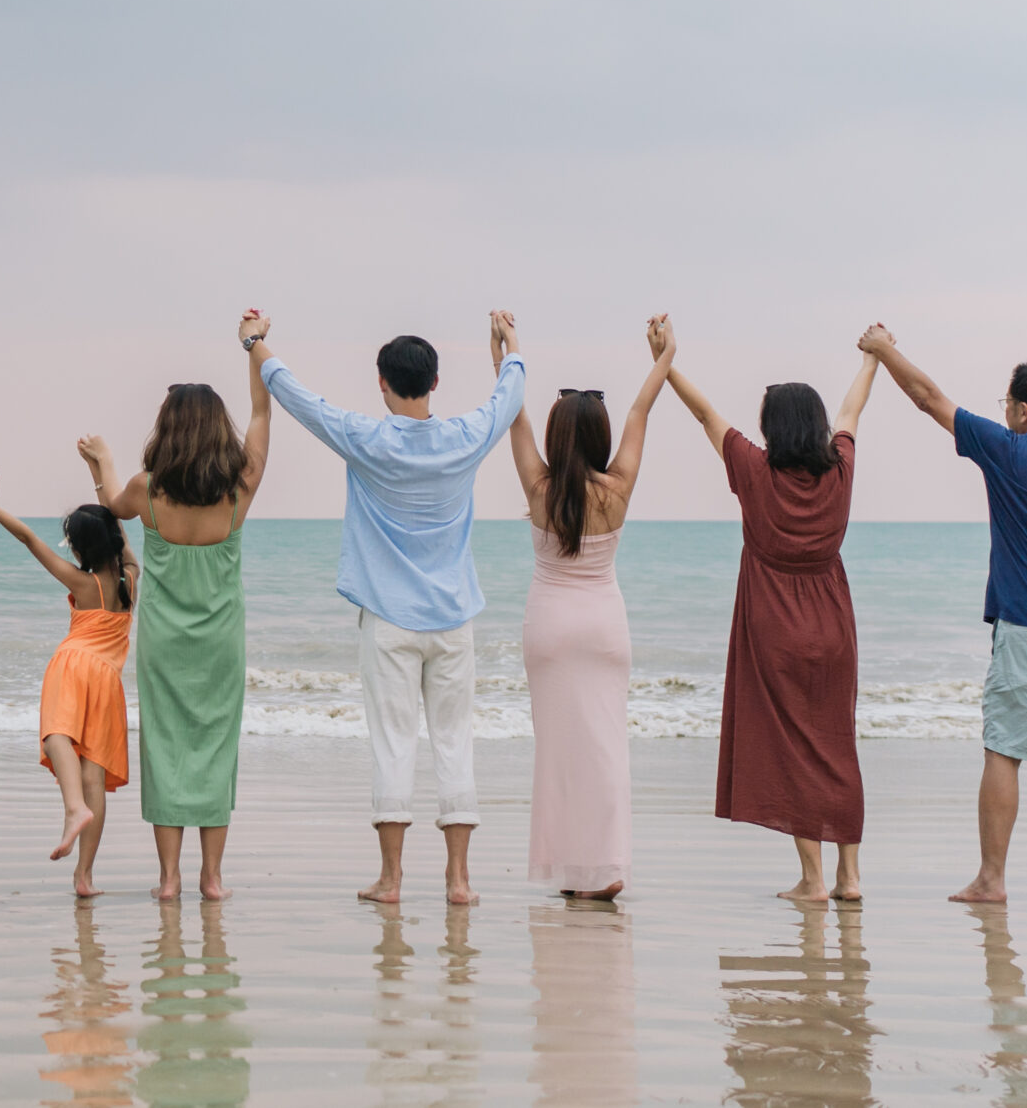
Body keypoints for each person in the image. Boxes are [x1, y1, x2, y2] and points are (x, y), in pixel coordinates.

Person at [859, 325, 1027, 906]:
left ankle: (991, 880)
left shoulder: (1008, 450)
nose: (1004, 411)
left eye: (1007, 402)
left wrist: (882, 350)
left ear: (1024, 411)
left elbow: (929, 398)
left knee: (1005, 751)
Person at [260, 308, 527, 907]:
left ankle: (392, 880)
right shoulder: (465, 438)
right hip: (453, 619)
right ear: (435, 383)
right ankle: (458, 881)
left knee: (393, 743)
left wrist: (256, 344)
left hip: (387, 620)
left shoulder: (366, 439)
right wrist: (508, 344)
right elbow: (508, 396)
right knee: (455, 742)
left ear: (381, 383)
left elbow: (299, 399)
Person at [666, 322, 879, 902]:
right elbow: (852, 411)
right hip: (833, 624)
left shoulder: (755, 470)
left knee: (794, 747)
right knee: (837, 742)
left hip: (775, 625)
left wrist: (666, 363)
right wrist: (871, 362)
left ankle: (813, 879)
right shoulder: (840, 467)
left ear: (772, 428)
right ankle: (850, 876)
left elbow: (705, 415)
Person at [80, 313, 274, 903]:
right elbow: (262, 414)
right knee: (216, 749)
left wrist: (100, 461)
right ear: (218, 431)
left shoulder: (148, 489)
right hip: (221, 641)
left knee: (165, 748)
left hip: (164, 643)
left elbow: (111, 506)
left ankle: (168, 879)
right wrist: (255, 343)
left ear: (166, 429)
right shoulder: (239, 487)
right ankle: (211, 879)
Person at [508, 312, 673, 902]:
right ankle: (604, 869)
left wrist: (506, 351)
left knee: (557, 753)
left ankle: (570, 873)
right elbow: (640, 411)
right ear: (600, 438)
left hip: (549, 626)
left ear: (557, 438)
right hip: (603, 626)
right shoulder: (617, 489)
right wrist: (663, 355)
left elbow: (515, 414)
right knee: (604, 749)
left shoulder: (539, 489)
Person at [0, 488, 138, 896]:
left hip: (73, 664)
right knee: (93, 776)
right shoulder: (130, 580)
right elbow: (123, 542)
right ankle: (84, 876)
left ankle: (73, 808)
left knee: (55, 736)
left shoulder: (81, 583)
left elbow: (28, 538)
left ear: (81, 549)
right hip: (107, 680)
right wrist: (102, 484)